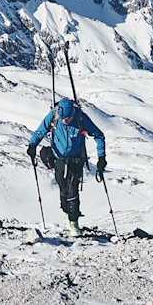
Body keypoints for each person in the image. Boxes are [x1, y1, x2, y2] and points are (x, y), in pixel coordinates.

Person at [25, 98, 107, 237]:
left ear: (73, 114)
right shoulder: (54, 115)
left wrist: (101, 157)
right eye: (62, 119)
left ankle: (74, 223)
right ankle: (67, 210)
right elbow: (41, 131)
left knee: (72, 189)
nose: (64, 121)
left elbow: (99, 135)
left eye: (67, 119)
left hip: (76, 160)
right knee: (63, 187)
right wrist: (32, 145)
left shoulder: (81, 118)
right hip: (59, 159)